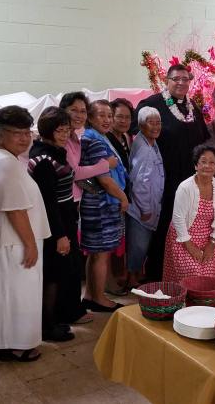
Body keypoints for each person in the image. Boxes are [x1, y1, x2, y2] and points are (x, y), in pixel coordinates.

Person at [0, 106, 50, 363]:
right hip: (16, 241)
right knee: (19, 294)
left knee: (6, 293)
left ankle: (1, 342)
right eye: (16, 133)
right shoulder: (5, 163)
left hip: (10, 239)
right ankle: (17, 345)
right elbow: (14, 209)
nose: (24, 138)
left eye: (27, 132)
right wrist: (30, 244)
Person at [133, 64, 210, 281]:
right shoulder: (152, 104)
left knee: (185, 227)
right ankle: (155, 277)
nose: (181, 83)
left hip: (190, 180)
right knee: (163, 229)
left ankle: (181, 275)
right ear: (167, 80)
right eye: (176, 79)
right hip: (164, 181)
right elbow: (137, 136)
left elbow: (203, 140)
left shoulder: (193, 107)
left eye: (186, 79)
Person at [28, 106, 89, 343]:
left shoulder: (55, 151)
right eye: (59, 131)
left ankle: (57, 318)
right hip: (55, 224)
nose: (64, 135)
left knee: (63, 272)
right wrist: (60, 235)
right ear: (47, 131)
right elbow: (48, 203)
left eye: (66, 130)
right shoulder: (44, 158)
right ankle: (47, 325)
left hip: (65, 219)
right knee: (52, 275)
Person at [80, 100, 129, 312]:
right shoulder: (95, 141)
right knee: (101, 253)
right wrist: (123, 197)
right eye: (101, 115)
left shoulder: (95, 137)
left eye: (109, 115)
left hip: (96, 202)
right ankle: (99, 298)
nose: (107, 120)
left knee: (95, 253)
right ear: (90, 118)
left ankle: (91, 295)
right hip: (102, 203)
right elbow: (105, 179)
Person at [162, 144, 215, 283]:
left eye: (212, 162)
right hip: (183, 237)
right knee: (192, 276)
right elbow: (178, 219)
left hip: (208, 238)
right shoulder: (185, 187)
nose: (207, 166)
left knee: (209, 279)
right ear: (196, 165)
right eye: (203, 161)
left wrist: (212, 243)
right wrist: (190, 246)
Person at [126, 107, 165, 288]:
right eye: (151, 123)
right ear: (141, 125)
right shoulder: (144, 149)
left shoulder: (150, 142)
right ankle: (131, 279)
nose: (156, 127)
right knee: (138, 245)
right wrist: (145, 208)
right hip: (141, 208)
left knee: (141, 244)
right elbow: (140, 182)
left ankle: (136, 275)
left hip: (148, 204)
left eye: (158, 123)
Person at [58, 91, 118, 203]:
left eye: (83, 111)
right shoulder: (62, 138)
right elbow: (75, 173)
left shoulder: (74, 136)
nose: (79, 115)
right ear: (63, 111)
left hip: (76, 198)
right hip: (65, 200)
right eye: (74, 110)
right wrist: (107, 164)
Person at [106, 98, 135, 295]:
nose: (124, 121)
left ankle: (117, 278)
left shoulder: (125, 138)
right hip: (110, 197)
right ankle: (109, 282)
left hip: (122, 195)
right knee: (109, 244)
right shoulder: (105, 139)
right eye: (119, 117)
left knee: (119, 241)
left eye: (127, 117)